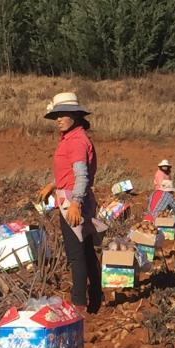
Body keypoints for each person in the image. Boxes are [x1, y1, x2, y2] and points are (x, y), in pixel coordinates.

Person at [38, 92, 105, 313]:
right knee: (86, 251)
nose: (58, 119)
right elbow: (71, 173)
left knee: (76, 255)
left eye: (63, 114)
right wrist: (53, 184)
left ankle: (78, 305)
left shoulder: (76, 141)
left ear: (75, 116)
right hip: (73, 198)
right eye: (56, 115)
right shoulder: (74, 138)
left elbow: (82, 176)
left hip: (72, 203)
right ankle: (95, 298)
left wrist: (75, 203)